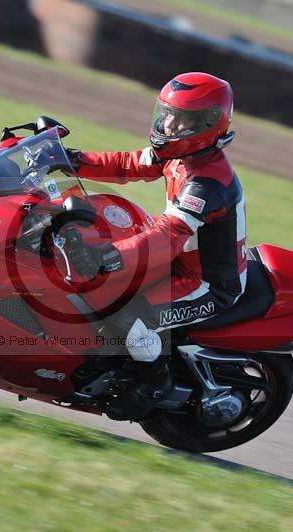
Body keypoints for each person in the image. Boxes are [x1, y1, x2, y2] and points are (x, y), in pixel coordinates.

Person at [65, 72, 247, 421]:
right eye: (167, 113)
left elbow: (168, 236)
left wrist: (109, 257)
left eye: (181, 119)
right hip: (177, 261)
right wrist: (71, 159)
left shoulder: (208, 183)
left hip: (207, 284)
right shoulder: (180, 153)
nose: (169, 124)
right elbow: (128, 164)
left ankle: (155, 385)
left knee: (127, 314)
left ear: (207, 124)